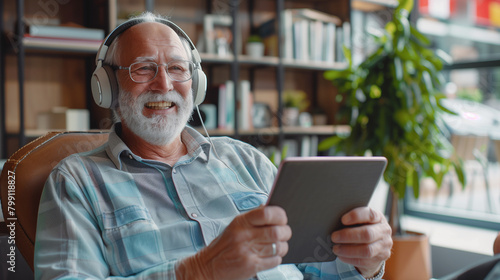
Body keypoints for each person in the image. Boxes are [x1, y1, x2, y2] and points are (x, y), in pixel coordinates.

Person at [34, 13, 392, 280]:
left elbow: (319, 269)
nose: (164, 84)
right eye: (143, 69)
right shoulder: (76, 180)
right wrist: (200, 270)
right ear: (107, 87)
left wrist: (365, 259)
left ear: (197, 84)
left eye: (177, 68)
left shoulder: (247, 161)